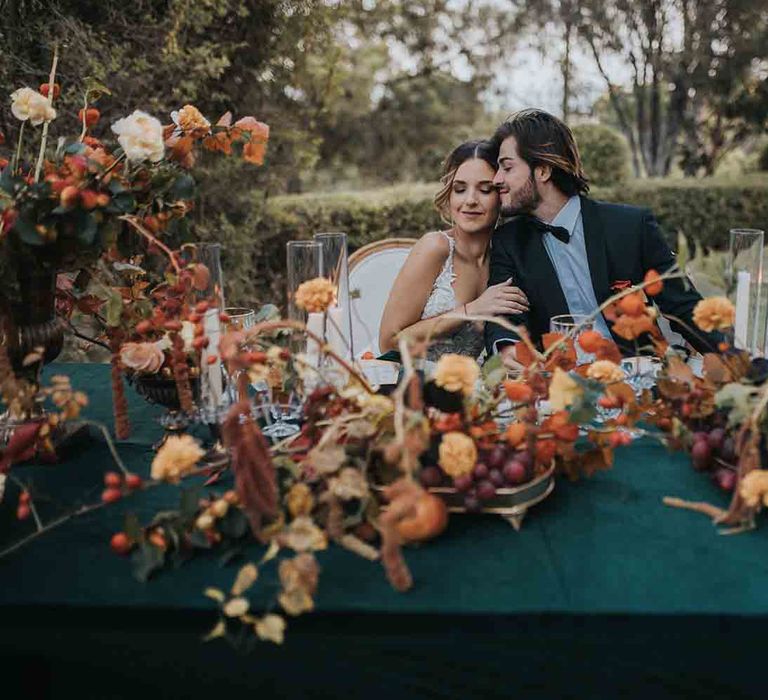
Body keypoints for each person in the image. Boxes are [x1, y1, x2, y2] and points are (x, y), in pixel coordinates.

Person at [484, 108, 719, 361]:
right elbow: (505, 313)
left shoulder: (630, 227)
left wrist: (739, 362)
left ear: (542, 170)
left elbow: (683, 306)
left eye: (507, 168)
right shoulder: (508, 241)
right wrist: (507, 350)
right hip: (558, 382)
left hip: (635, 376)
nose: (496, 179)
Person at [380, 140, 529, 362]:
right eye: (460, 189)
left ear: (501, 194)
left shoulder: (507, 256)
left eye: (485, 190)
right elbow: (389, 342)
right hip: (415, 384)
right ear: (449, 196)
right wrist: (473, 309)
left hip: (476, 390)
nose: (470, 200)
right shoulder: (435, 247)